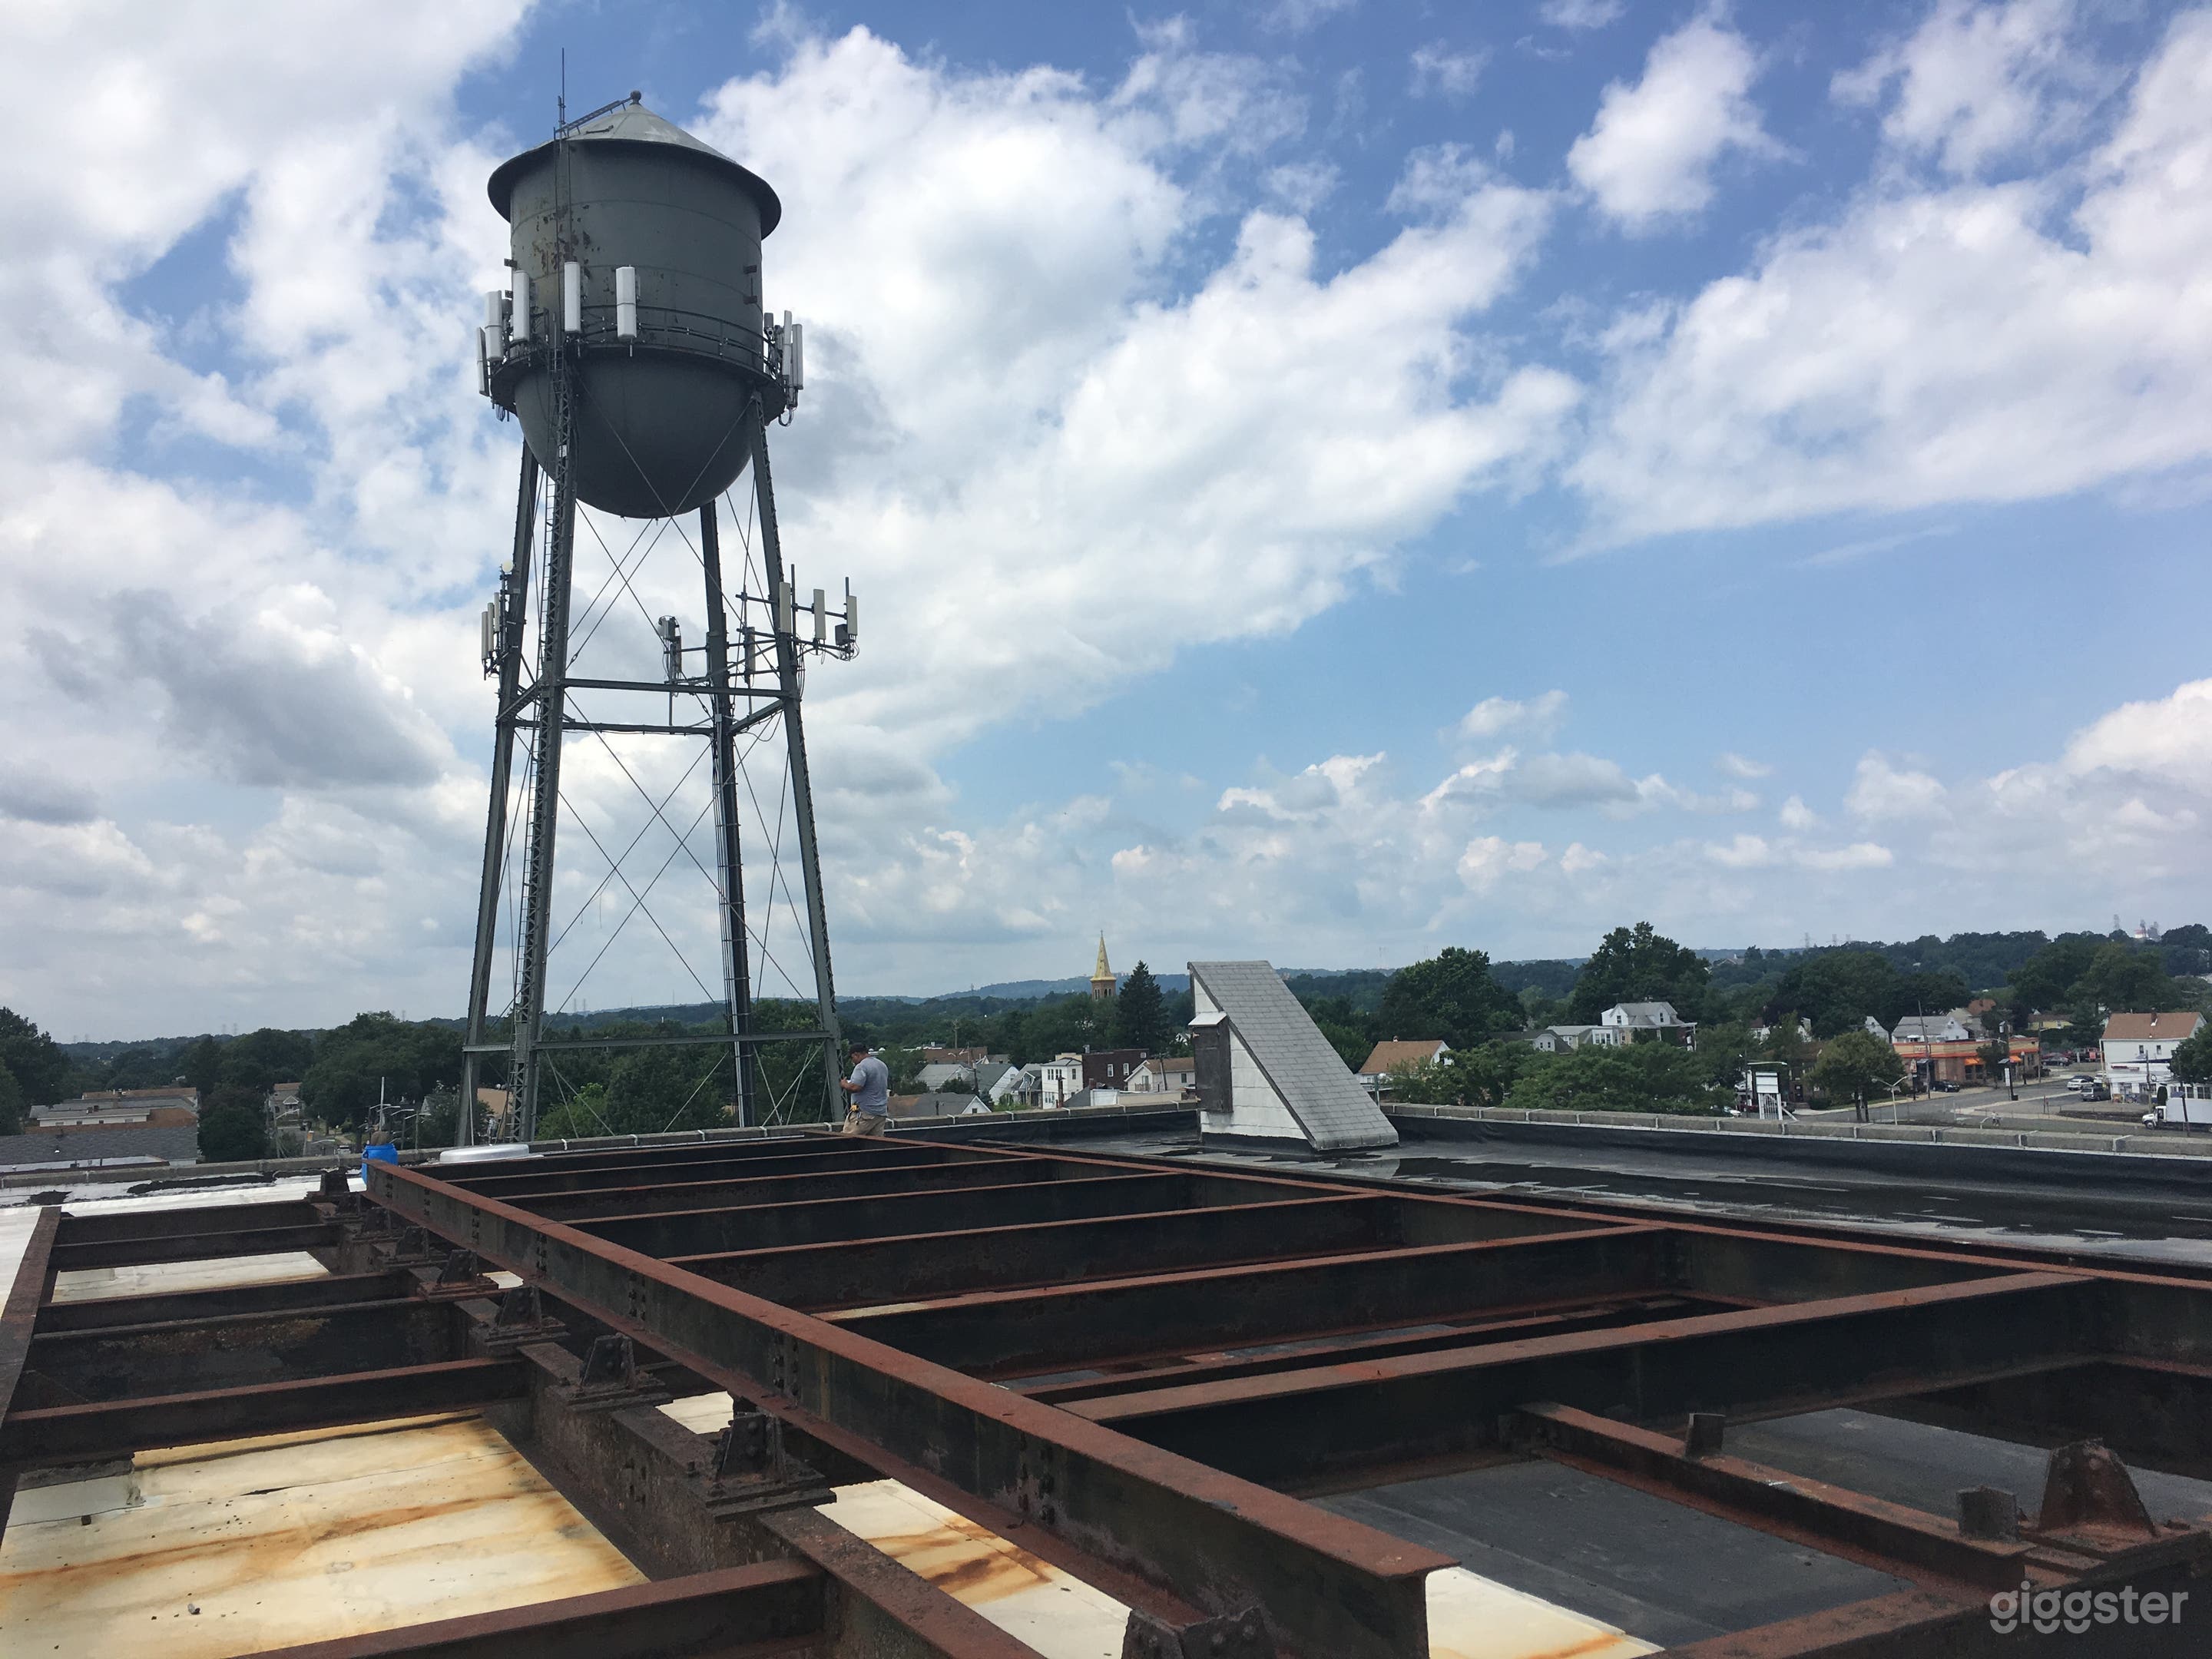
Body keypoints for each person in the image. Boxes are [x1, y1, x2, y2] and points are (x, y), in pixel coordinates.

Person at [839, 1040, 890, 1135]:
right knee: (874, 1142)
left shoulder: (861, 1066)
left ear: (857, 1055)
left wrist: (844, 1084)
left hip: (864, 1113)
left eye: (852, 1058)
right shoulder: (881, 1065)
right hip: (880, 1113)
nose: (852, 1061)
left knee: (846, 1139)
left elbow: (855, 1087)